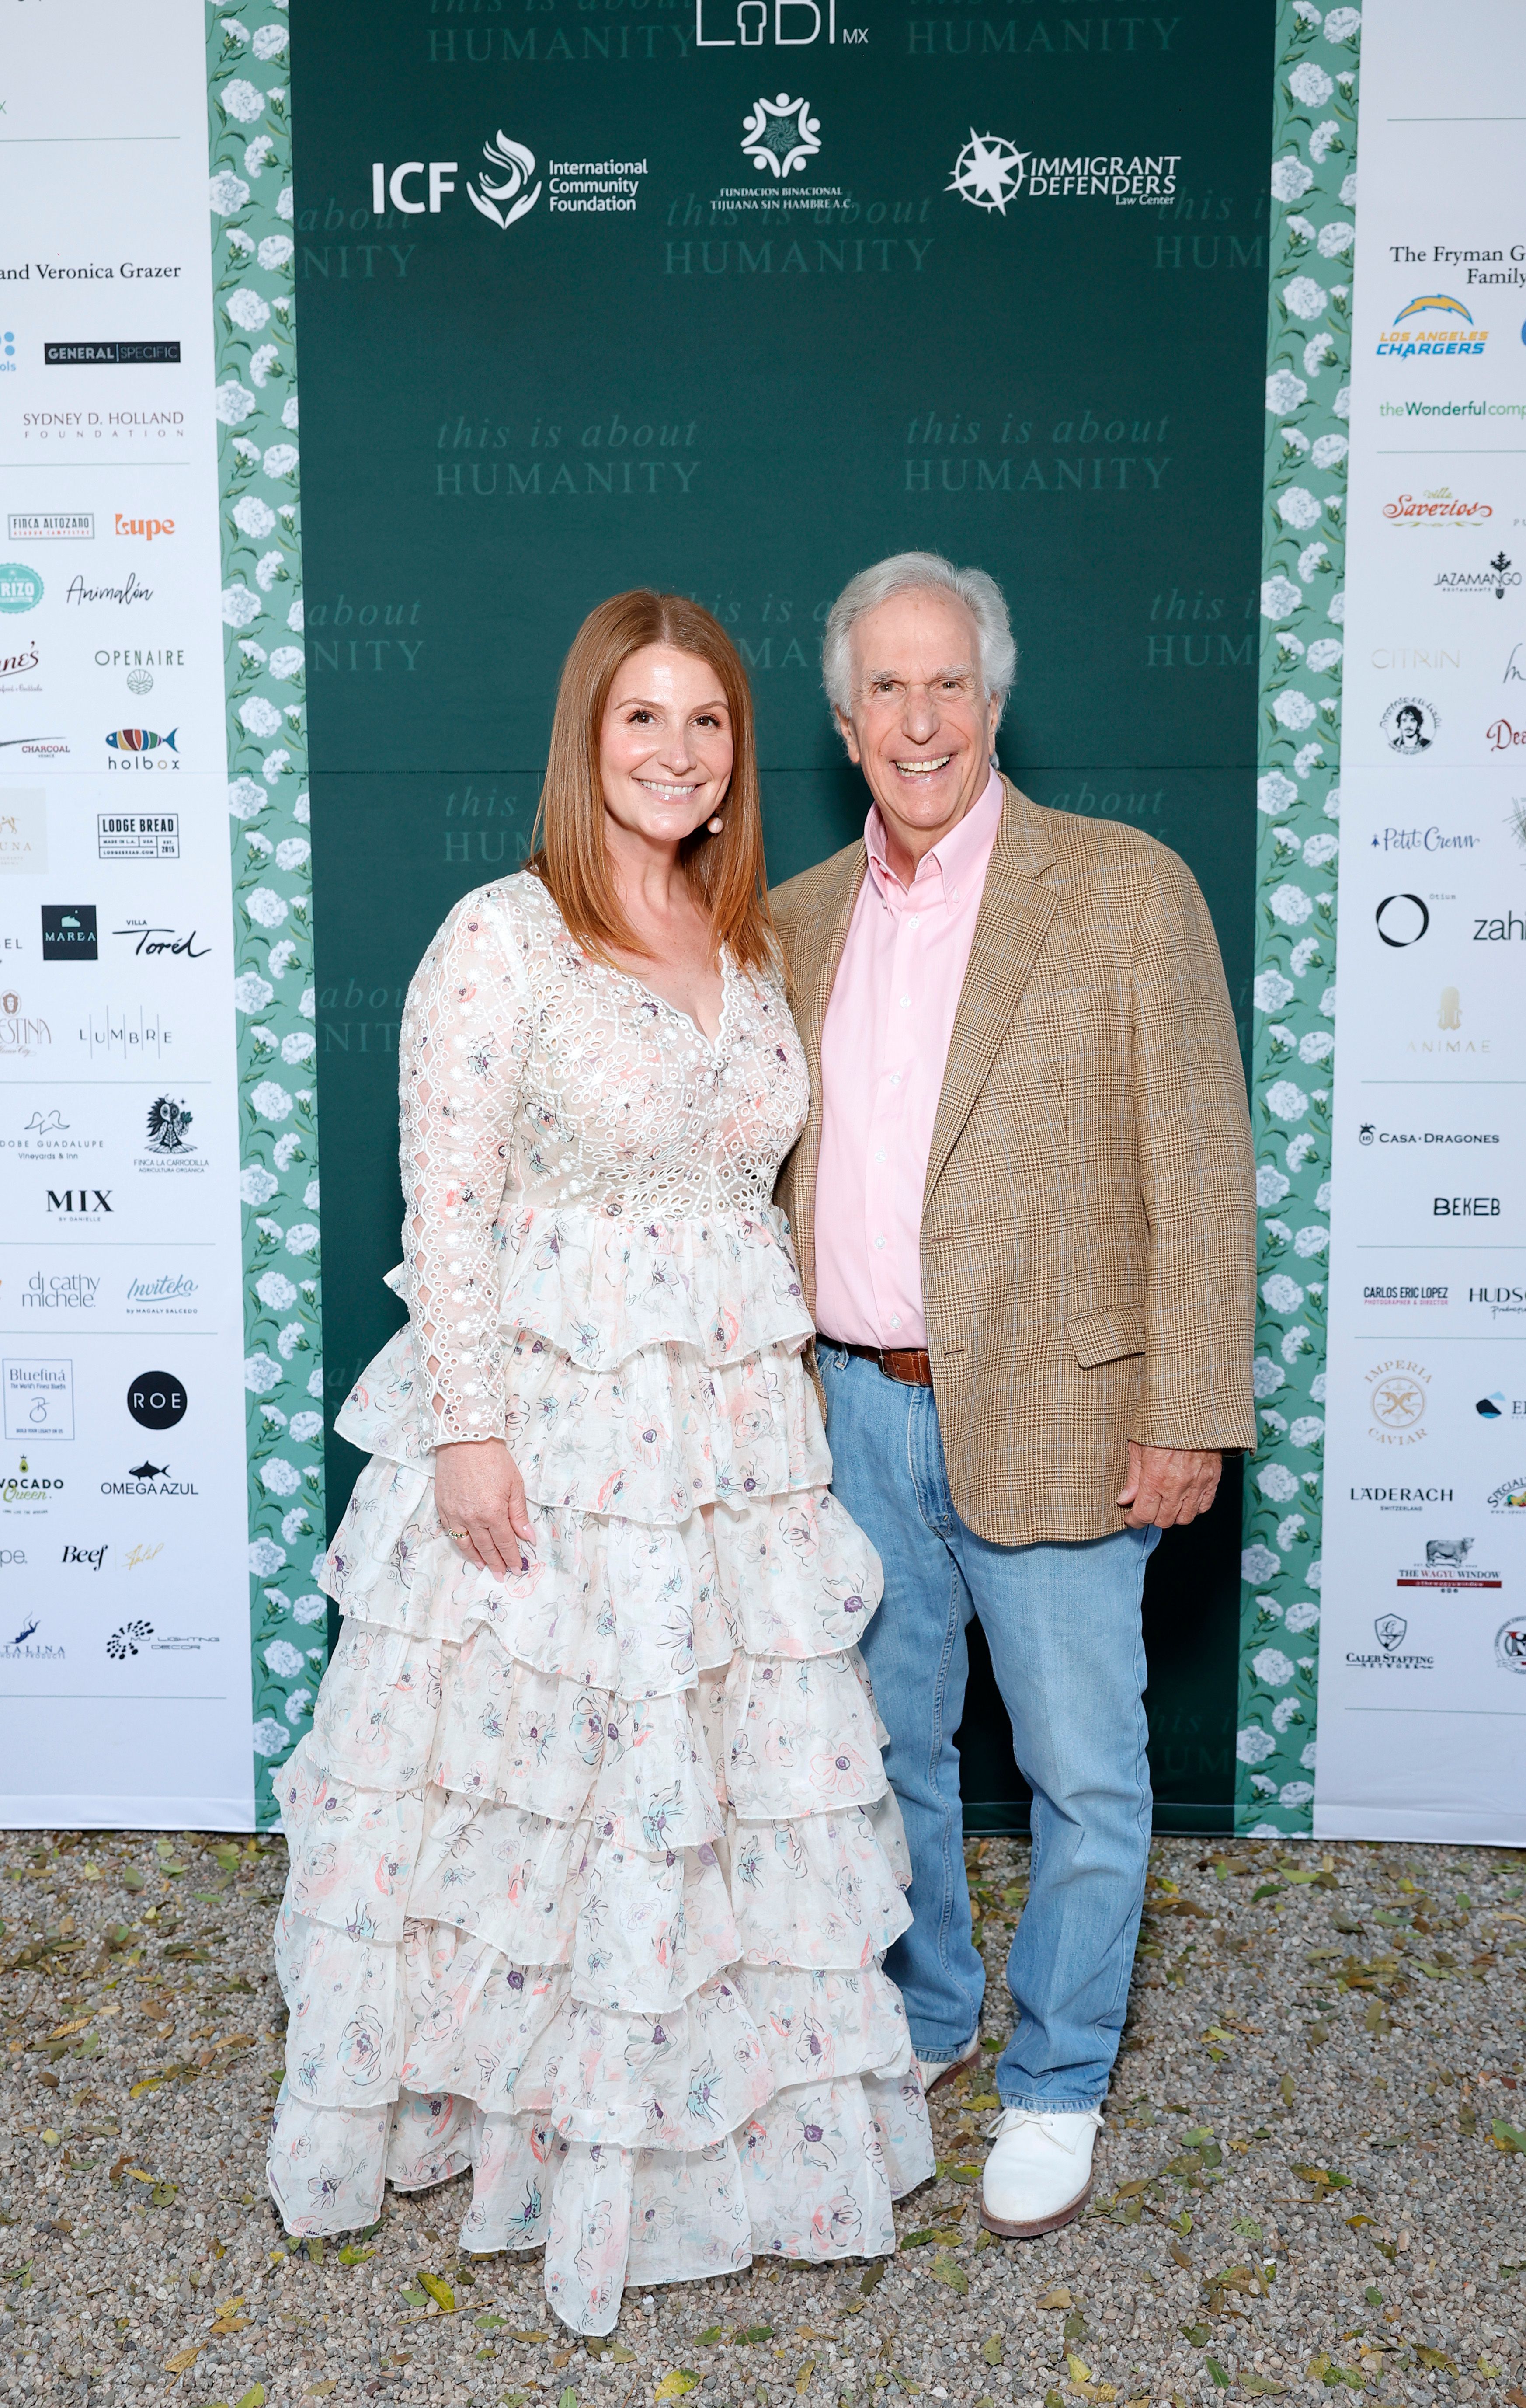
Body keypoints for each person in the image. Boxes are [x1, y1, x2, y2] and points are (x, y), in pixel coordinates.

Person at [267, 591, 933, 2333]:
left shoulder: (753, 945)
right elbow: (452, 1202)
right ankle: (513, 2127)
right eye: (641, 718)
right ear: (586, 740)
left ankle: (683, 2128)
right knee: (535, 1779)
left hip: (726, 1439)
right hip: (554, 1429)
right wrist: (470, 1431)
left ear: (734, 756)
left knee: (704, 1776)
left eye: (705, 721)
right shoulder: (501, 939)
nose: (676, 751)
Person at [770, 552, 1255, 2239]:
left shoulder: (1125, 888)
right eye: (886, 690)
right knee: (882, 1756)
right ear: (845, 723)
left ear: (996, 699)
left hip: (1065, 1409)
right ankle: (922, 2011)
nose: (922, 719)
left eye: (949, 683)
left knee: (1086, 1773)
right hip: (853, 1416)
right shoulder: (800, 914)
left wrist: (1189, 1406)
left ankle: (1058, 2080)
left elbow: (1202, 1172)